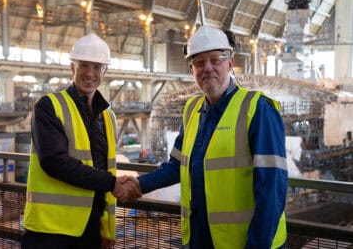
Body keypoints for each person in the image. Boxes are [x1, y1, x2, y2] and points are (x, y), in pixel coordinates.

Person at [123, 26, 288, 248]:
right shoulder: (192, 110)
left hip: (243, 243)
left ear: (230, 62)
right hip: (200, 239)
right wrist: (138, 185)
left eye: (215, 60)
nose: (207, 68)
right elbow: (177, 166)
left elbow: (272, 190)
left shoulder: (258, 109)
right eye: (199, 63)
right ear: (192, 69)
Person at [22, 33, 140, 249]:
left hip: (91, 230)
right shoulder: (48, 106)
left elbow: (106, 168)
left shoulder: (108, 116)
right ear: (72, 68)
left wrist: (106, 227)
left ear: (105, 71)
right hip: (50, 231)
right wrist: (112, 183)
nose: (90, 73)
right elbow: (54, 162)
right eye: (84, 65)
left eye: (97, 67)